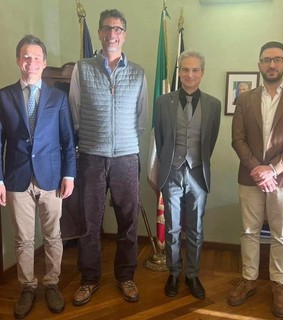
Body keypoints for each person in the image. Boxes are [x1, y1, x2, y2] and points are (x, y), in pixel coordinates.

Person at [69, 9, 148, 305]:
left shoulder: (138, 73)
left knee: (128, 221)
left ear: (124, 35)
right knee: (90, 222)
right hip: (91, 156)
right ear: (100, 34)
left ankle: (125, 276)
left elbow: (141, 119)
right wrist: (89, 139)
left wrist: (125, 142)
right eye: (106, 28)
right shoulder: (82, 68)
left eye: (117, 29)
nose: (112, 33)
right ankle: (89, 279)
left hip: (127, 158)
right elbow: (74, 112)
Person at [229, 41, 283, 317]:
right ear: (259, 65)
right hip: (250, 176)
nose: (272, 64)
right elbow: (237, 139)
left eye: (277, 59)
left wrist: (272, 170)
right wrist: (258, 169)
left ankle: (279, 284)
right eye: (266, 60)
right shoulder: (245, 98)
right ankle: (249, 279)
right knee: (249, 231)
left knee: (281, 234)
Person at [0, 35, 76, 319]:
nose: (30, 63)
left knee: (53, 235)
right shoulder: (3, 96)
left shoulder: (58, 98)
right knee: (23, 239)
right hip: (17, 178)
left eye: (36, 58)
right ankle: (28, 287)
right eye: (25, 57)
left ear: (44, 63)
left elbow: (68, 140)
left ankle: (52, 283)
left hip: (52, 178)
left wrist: (69, 173)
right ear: (18, 60)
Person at [154, 50, 221, 299]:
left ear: (202, 73)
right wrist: (171, 162)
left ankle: (192, 274)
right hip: (171, 171)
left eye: (195, 70)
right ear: (179, 72)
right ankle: (173, 273)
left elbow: (209, 142)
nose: (189, 75)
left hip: (198, 174)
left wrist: (196, 163)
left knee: (195, 228)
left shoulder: (214, 105)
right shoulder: (163, 102)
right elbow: (160, 139)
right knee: (172, 227)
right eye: (185, 69)